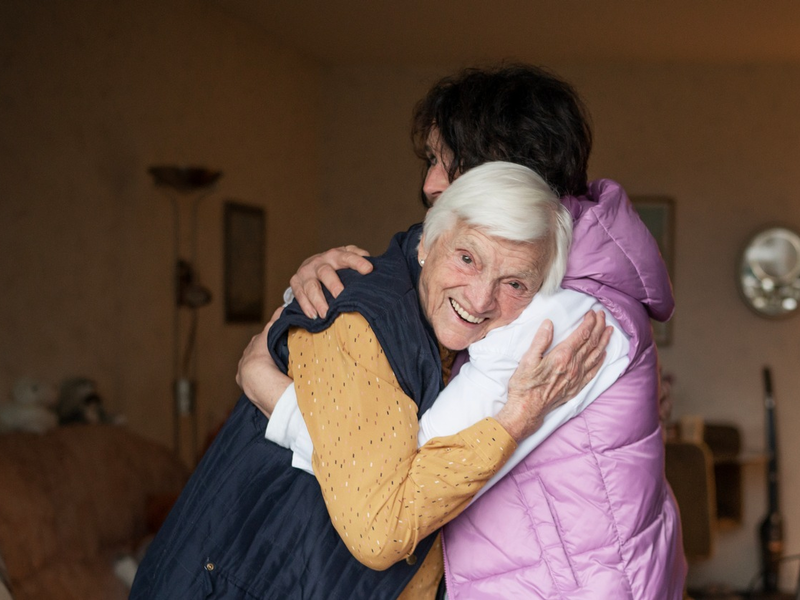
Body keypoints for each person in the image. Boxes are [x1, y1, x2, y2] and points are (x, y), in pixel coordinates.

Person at [243, 64, 686, 598]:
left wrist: (268, 389)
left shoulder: (562, 315)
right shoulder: (564, 272)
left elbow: (395, 491)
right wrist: (315, 282)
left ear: (510, 175)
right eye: (432, 159)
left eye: (448, 164)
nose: (430, 182)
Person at [131, 160, 610, 600]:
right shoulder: (361, 324)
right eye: (467, 258)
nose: (481, 298)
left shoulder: (458, 344)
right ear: (427, 243)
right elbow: (379, 531)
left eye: (515, 284)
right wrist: (518, 418)